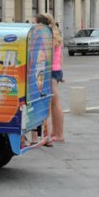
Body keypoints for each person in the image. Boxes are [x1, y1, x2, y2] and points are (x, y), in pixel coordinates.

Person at [43, 13, 65, 143]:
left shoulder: (50, 37)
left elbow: (46, 56)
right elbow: (61, 58)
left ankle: (59, 134)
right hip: (56, 70)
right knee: (53, 104)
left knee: (55, 104)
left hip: (51, 71)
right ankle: (55, 132)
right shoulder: (55, 36)